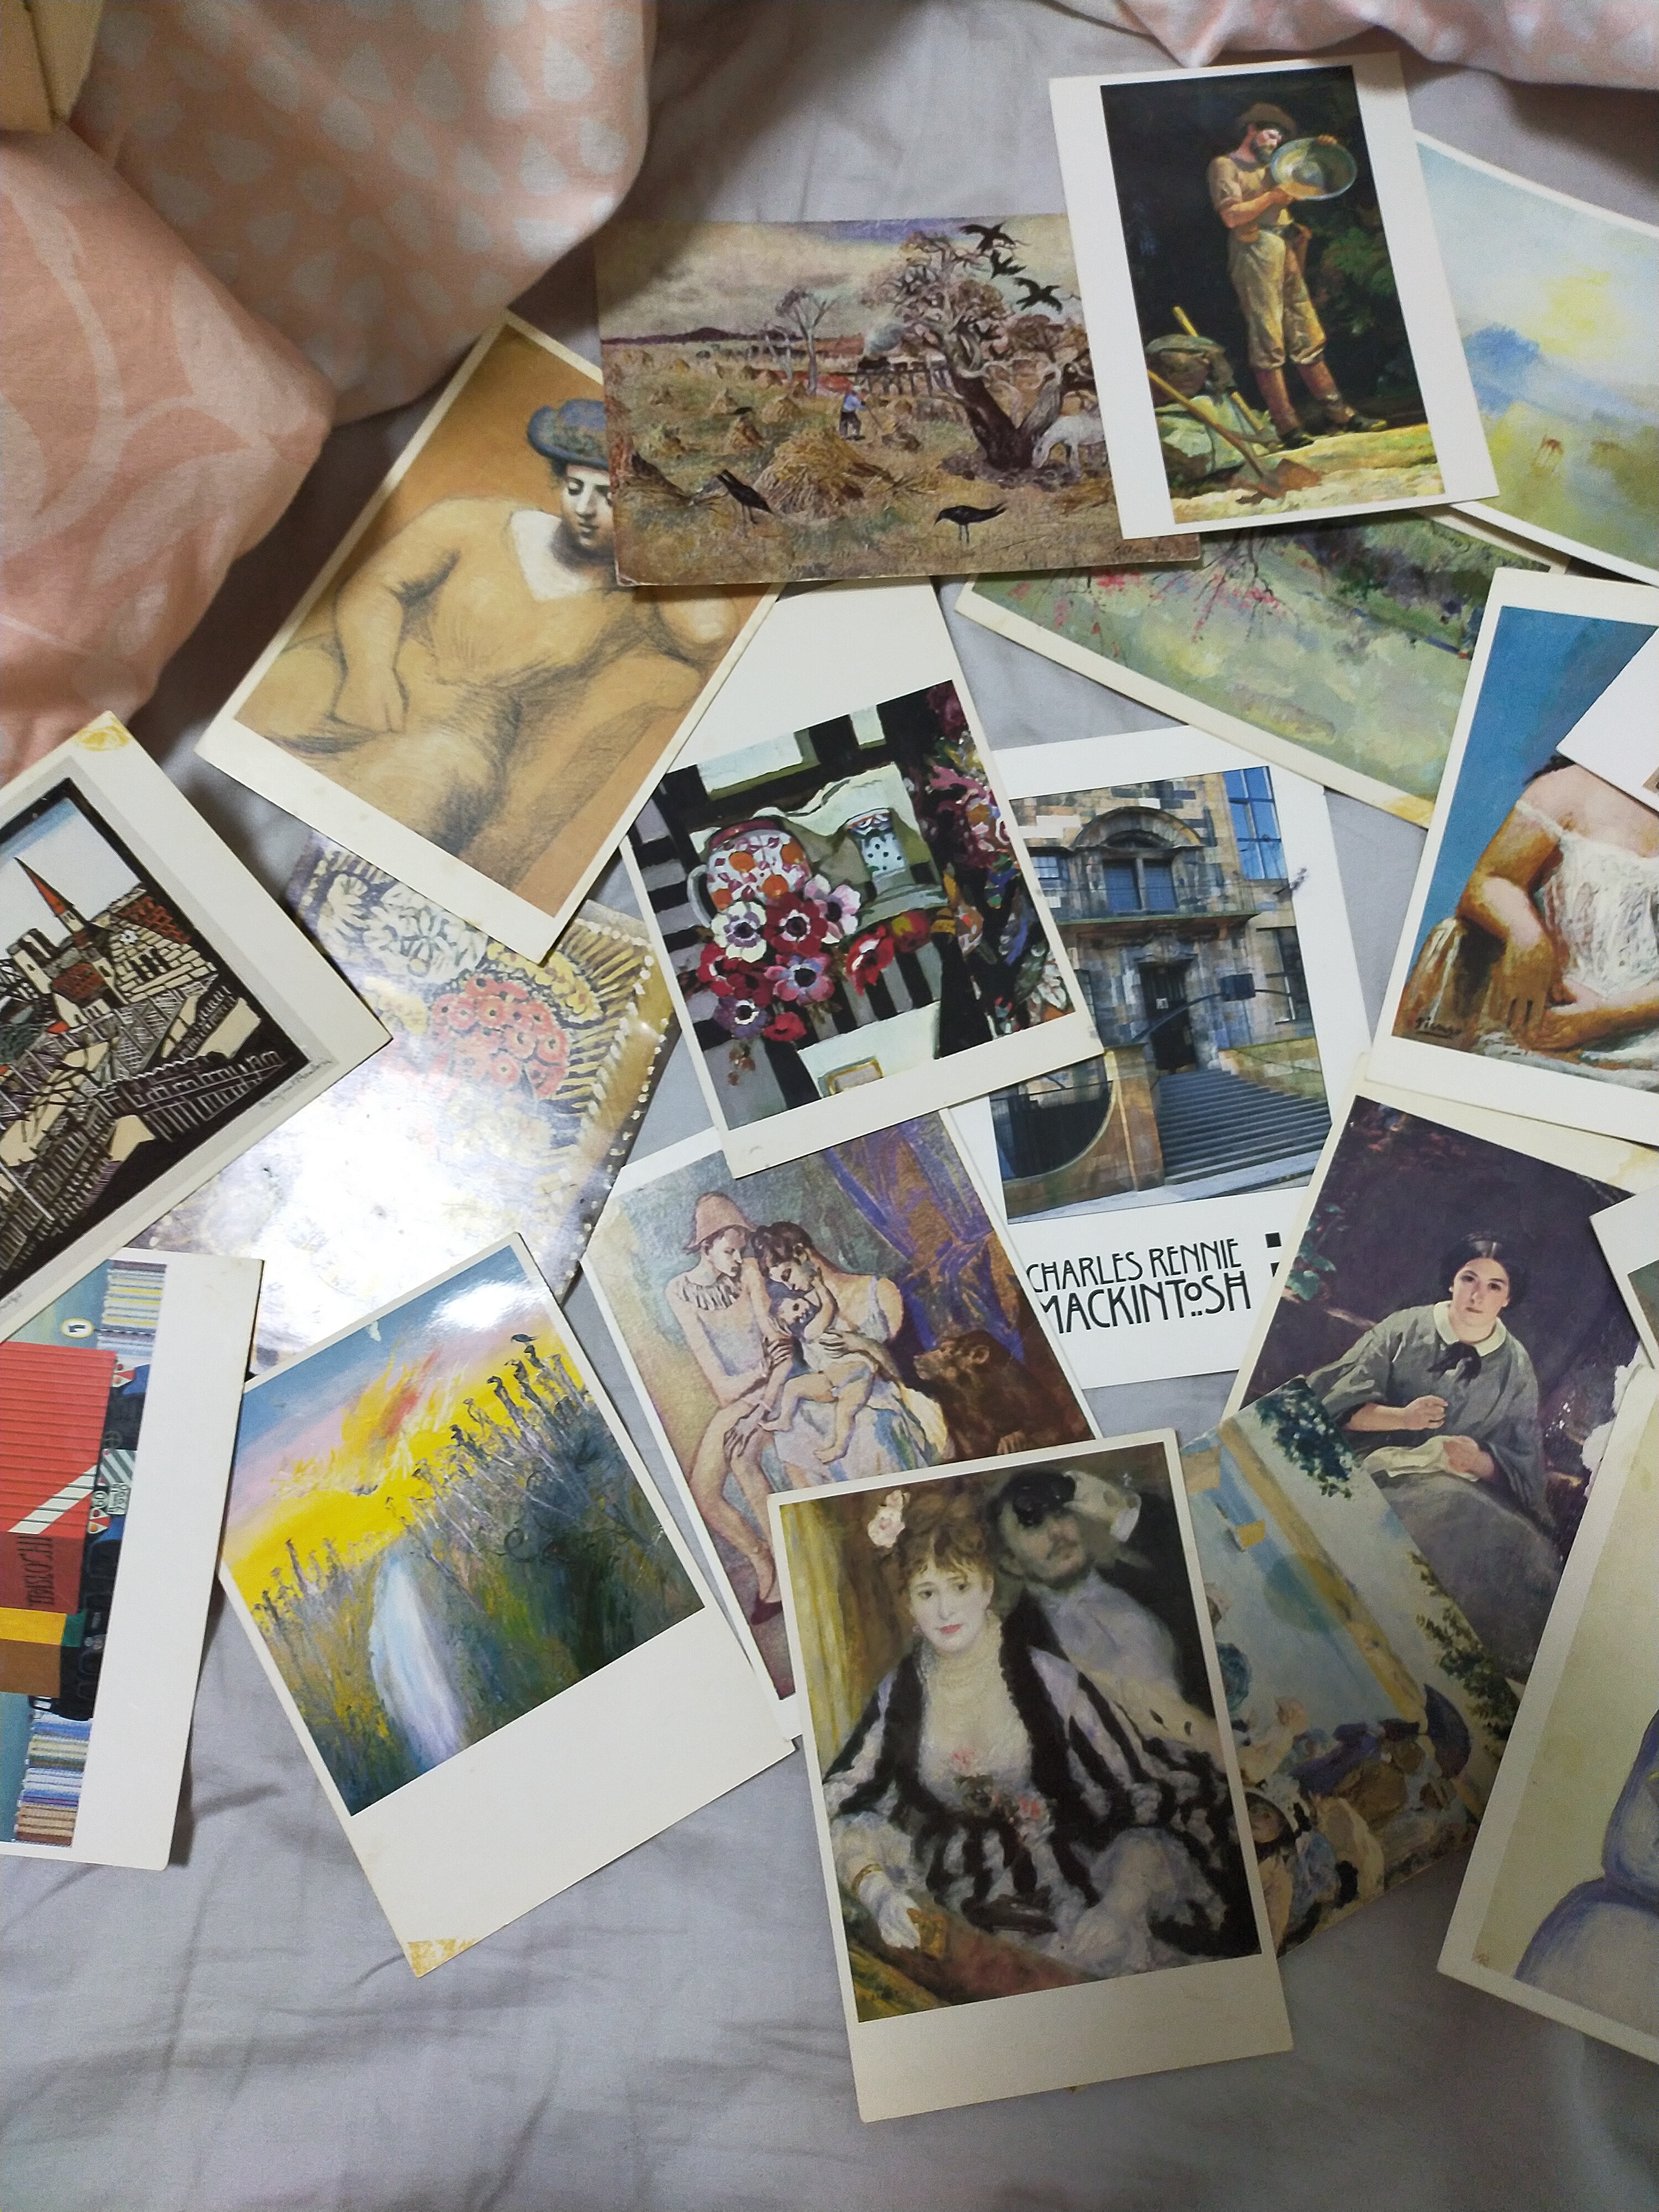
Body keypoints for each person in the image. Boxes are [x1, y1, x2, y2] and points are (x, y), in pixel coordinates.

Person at [242, 396, 749, 908]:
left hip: (458, 735)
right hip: (364, 670)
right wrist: (369, 672)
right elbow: (380, 584)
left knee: (413, 793)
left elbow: (710, 633)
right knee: (266, 713)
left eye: (609, 497)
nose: (585, 509)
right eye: (575, 488)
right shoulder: (475, 521)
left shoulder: (630, 598)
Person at [824, 1486, 1251, 1987]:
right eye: (927, 1593)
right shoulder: (901, 1694)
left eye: (959, 1586)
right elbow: (843, 1800)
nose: (945, 1611)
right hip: (962, 1911)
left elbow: (1139, 1799)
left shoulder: (1050, 1680)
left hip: (1075, 1900)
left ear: (987, 1586)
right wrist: (877, 1891)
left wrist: (1120, 1906)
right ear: (910, 1605)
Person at [1398, 760, 1659, 1082]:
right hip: (1537, 1026)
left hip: (1645, 1048)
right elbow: (1492, 879)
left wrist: (1606, 1017)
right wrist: (1527, 937)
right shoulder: (1568, 788)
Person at [1306, 1232, 1547, 1520]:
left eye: (1494, 1286)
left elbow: (1525, 1464)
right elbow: (1334, 1405)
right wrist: (1403, 1418)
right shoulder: (1404, 1327)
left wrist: (1477, 1461)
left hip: (1452, 1486)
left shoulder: (1517, 1366)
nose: (1477, 1296)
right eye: (1468, 1279)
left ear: (1508, 1298)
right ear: (1452, 1282)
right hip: (1365, 1461)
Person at [989, 1465, 1220, 1755]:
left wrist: (1120, 1514)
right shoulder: (1017, 1649)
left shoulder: (1142, 1581)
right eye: (1033, 1525)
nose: (1057, 1532)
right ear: (1010, 1561)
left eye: (1060, 1513)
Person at [1206, 102, 1386, 450]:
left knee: (1307, 333)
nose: (1275, 143)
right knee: (1268, 339)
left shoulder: (1274, 165)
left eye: (1279, 139)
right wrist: (1273, 197)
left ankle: (1339, 415)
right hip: (1254, 251)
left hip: (1286, 245)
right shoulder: (1225, 166)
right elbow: (1231, 216)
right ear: (1251, 130)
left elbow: (1309, 177)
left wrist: (1323, 150)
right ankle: (1287, 426)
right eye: (1271, 135)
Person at [664, 1192, 794, 1622]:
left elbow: (778, 1345)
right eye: (729, 1251)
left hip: (773, 1390)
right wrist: (758, 1370)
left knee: (741, 1455)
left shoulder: (751, 1273)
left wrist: (765, 1378)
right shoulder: (679, 1292)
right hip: (739, 1397)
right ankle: (762, 1560)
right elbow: (721, 1388)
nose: (739, 1259)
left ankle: (787, 1570)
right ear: (707, 1247)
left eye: (741, 1250)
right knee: (703, 1494)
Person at [749, 1222, 951, 1480]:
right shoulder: (805, 1312)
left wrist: (862, 1344)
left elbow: (906, 1375)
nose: (790, 1289)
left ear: (801, 1253)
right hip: (837, 1396)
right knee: (793, 1434)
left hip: (888, 1397)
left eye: (787, 1275)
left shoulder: (879, 1292)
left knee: (870, 1431)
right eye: (781, 1282)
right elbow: (822, 1372)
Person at [759, 1286, 901, 1467]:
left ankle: (839, 1447)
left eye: (797, 1306)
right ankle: (785, 1420)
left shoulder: (816, 1327)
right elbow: (826, 1307)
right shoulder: (808, 1332)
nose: (801, 1314)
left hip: (856, 1371)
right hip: (837, 1380)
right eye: (795, 1319)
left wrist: (819, 1285)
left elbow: (828, 1305)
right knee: (794, 1388)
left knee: (845, 1411)